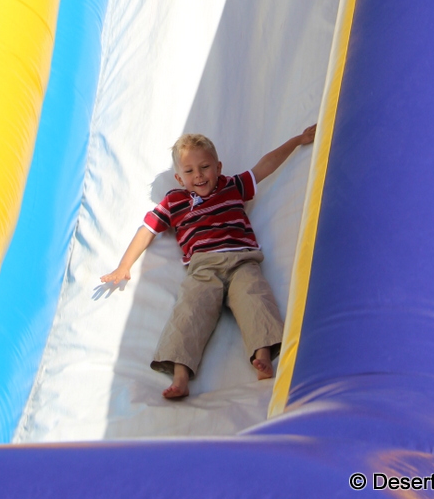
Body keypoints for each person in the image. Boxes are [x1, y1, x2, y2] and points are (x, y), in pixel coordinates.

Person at [100, 124, 317, 400]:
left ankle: (262, 357)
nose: (198, 175)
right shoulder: (174, 201)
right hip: (203, 267)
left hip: (242, 261)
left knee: (256, 298)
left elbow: (265, 166)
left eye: (205, 167)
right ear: (179, 178)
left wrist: (297, 140)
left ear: (218, 167)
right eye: (189, 171)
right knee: (190, 311)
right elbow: (148, 230)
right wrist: (124, 265)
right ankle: (180, 375)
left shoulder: (232, 186)